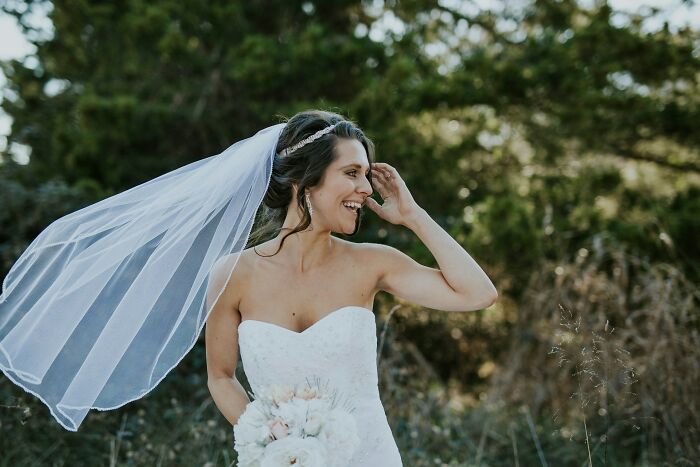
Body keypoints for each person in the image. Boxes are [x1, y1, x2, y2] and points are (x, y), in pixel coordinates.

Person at [204, 109, 498, 465]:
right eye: (351, 173)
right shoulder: (233, 274)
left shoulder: (373, 264)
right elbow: (221, 377)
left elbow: (478, 294)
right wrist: (274, 444)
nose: (367, 188)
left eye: (365, 174)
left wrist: (413, 216)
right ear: (307, 181)